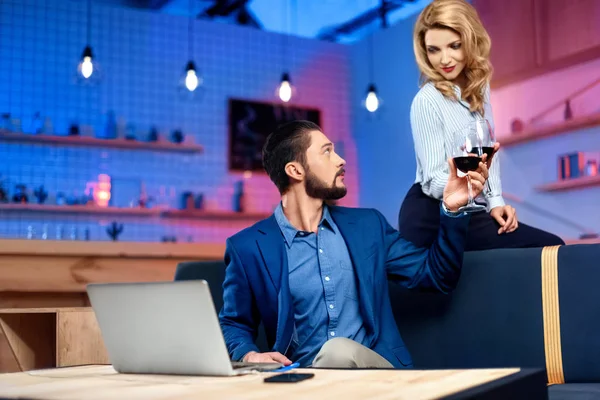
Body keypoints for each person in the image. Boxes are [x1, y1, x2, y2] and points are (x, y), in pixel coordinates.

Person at [218, 120, 491, 369]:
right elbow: (234, 322)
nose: (340, 160)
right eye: (326, 152)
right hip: (300, 385)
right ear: (295, 170)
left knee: (337, 351)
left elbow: (437, 275)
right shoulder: (248, 247)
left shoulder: (367, 227)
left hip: (377, 377)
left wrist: (454, 209)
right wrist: (249, 355)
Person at [398, 0, 565, 251]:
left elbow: (488, 153)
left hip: (468, 207)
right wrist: (474, 185)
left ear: (471, 41)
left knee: (550, 247)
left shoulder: (479, 89)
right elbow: (432, 181)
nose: (444, 59)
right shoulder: (426, 100)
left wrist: (496, 202)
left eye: (454, 46)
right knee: (548, 246)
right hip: (431, 214)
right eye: (434, 50)